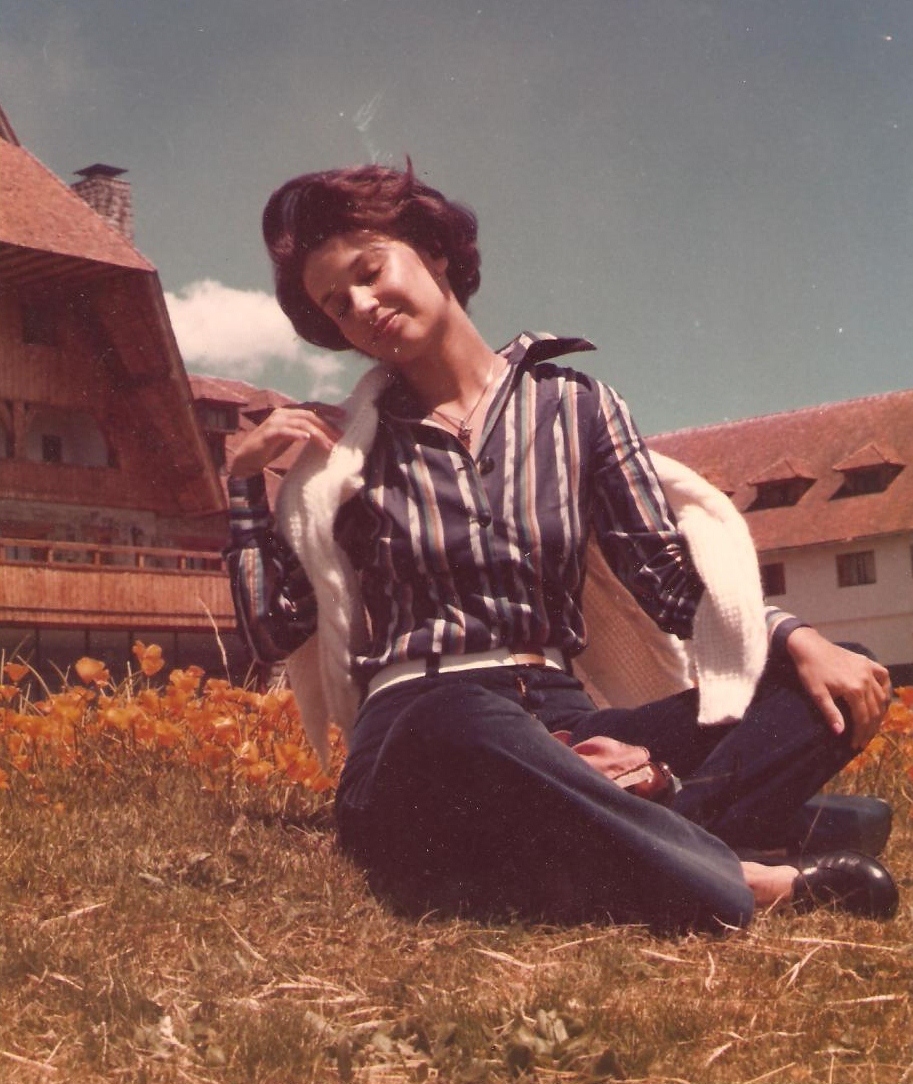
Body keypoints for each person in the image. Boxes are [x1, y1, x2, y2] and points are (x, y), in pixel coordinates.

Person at [225, 162, 898, 933]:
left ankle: (628, 818)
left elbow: (665, 579)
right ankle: (745, 873)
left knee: (828, 681)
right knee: (457, 714)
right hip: (423, 726)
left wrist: (795, 639)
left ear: (433, 251)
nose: (362, 307)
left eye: (369, 272)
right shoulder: (342, 445)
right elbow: (273, 632)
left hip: (569, 725)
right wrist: (243, 491)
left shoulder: (576, 408)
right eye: (337, 306)